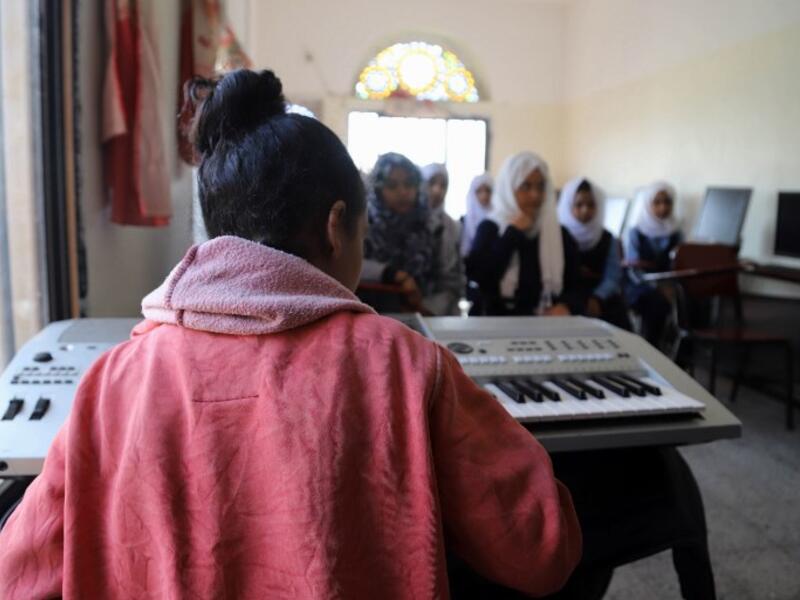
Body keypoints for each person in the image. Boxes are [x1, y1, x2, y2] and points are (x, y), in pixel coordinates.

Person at [0, 69, 581, 599]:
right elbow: (540, 548)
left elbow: (16, 576)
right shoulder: (405, 365)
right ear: (336, 227)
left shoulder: (110, 382)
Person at [465, 152, 585, 316]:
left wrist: (566, 305)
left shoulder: (557, 234)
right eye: (525, 186)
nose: (535, 195)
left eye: (540, 187)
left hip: (544, 323)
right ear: (509, 188)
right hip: (493, 322)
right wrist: (512, 233)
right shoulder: (490, 228)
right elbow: (481, 278)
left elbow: (576, 285)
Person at [359, 153, 434, 312]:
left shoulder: (429, 225)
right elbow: (351, 264)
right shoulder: (363, 222)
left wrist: (426, 309)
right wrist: (392, 274)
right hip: (371, 315)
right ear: (378, 189)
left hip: (426, 317)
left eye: (409, 184)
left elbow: (447, 280)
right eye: (392, 185)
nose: (402, 192)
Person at [557, 177, 631, 330]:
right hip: (569, 294)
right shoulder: (559, 236)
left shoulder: (607, 238)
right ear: (568, 206)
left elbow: (613, 275)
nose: (585, 210)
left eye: (591, 205)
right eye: (579, 205)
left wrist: (597, 297)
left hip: (600, 294)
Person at [624, 181, 683, 346]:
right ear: (647, 204)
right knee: (655, 302)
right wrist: (658, 286)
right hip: (640, 285)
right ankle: (651, 348)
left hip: (669, 285)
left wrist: (671, 286)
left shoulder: (676, 232)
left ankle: (681, 357)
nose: (663, 207)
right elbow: (634, 270)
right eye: (657, 202)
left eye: (667, 202)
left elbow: (680, 265)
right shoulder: (636, 232)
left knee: (690, 302)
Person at [421, 163, 464, 315]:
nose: (437, 190)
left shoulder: (452, 226)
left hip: (444, 306)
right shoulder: (409, 221)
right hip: (410, 306)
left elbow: (455, 273)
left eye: (443, 185)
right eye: (431, 183)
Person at [460, 172, 493, 257]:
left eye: (488, 190)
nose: (484, 195)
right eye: (479, 191)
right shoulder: (463, 222)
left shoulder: (499, 219)